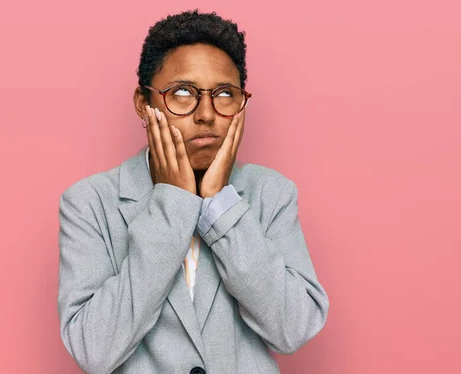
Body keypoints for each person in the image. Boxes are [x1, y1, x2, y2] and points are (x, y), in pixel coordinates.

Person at [57, 9, 329, 374]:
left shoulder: (271, 193)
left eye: (225, 93)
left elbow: (294, 328)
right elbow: (93, 348)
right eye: (183, 92)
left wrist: (221, 204)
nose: (206, 114)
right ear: (144, 103)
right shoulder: (89, 203)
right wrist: (172, 204)